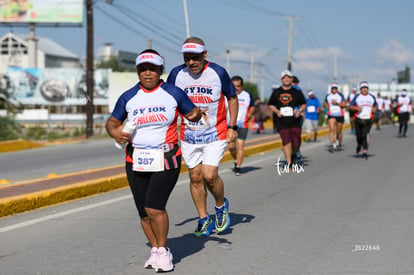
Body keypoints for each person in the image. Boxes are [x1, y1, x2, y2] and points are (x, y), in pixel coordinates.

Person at [105, 49, 206, 272]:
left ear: (160, 70)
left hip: (166, 157)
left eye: (152, 69)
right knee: (143, 211)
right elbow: (111, 123)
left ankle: (164, 251)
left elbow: (193, 113)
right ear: (138, 72)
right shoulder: (128, 96)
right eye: (143, 69)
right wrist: (115, 133)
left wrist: (196, 115)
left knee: (154, 207)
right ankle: (155, 251)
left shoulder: (173, 93)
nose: (147, 73)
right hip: (135, 159)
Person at [167, 37, 237, 237]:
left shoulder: (218, 72)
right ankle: (203, 219)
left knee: (209, 175)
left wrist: (233, 126)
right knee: (195, 177)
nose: (191, 62)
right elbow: (169, 100)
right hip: (189, 135)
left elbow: (231, 97)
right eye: (187, 58)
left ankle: (221, 206)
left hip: (215, 133)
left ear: (204, 55)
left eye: (195, 58)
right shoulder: (176, 74)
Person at [268, 70, 306, 169]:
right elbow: (270, 104)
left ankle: (293, 154)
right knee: (286, 141)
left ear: (291, 79)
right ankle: (289, 162)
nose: (286, 79)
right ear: (281, 80)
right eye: (284, 78)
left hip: (295, 120)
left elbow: (303, 103)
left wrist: (300, 111)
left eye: (288, 77)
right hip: (282, 121)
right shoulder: (277, 92)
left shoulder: (296, 92)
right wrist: (276, 111)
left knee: (295, 142)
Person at [228, 75, 255, 175]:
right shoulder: (227, 94)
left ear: (242, 86)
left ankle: (238, 167)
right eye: (234, 86)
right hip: (230, 125)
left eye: (238, 86)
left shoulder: (247, 95)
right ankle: (236, 159)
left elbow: (252, 106)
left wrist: (250, 113)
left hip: (243, 124)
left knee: (240, 145)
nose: (236, 88)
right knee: (231, 147)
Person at [349, 81, 377, 159]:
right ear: (360, 89)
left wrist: (374, 109)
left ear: (368, 89)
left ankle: (365, 151)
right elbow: (350, 107)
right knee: (359, 136)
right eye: (363, 88)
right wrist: (356, 108)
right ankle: (359, 145)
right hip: (358, 119)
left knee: (365, 135)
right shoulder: (357, 97)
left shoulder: (372, 97)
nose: (364, 89)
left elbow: (375, 105)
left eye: (366, 88)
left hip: (368, 119)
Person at [324, 83, 346, 152]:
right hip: (331, 114)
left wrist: (337, 103)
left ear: (337, 89)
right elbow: (325, 103)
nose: (334, 90)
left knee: (339, 131)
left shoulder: (340, 95)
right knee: (331, 129)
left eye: (335, 88)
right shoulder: (328, 96)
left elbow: (344, 105)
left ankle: (339, 143)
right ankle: (332, 144)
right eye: (333, 88)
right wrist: (327, 106)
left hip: (339, 114)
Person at [291, 75, 305, 163]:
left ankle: (296, 152)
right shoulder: (282, 90)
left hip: (296, 115)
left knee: (295, 135)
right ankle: (296, 152)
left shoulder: (298, 90)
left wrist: (300, 111)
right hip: (288, 116)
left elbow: (302, 102)